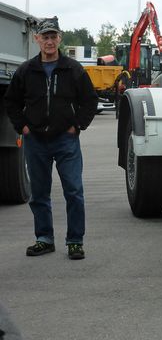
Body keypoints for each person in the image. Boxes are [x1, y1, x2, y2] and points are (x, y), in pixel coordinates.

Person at [4, 17, 98, 260]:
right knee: (39, 193)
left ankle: (75, 241)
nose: (49, 41)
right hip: (35, 140)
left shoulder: (73, 69)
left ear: (60, 38)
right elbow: (11, 101)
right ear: (37, 39)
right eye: (45, 37)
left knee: (74, 191)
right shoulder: (26, 70)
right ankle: (44, 239)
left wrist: (77, 126)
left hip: (66, 139)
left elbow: (89, 100)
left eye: (53, 36)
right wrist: (23, 127)